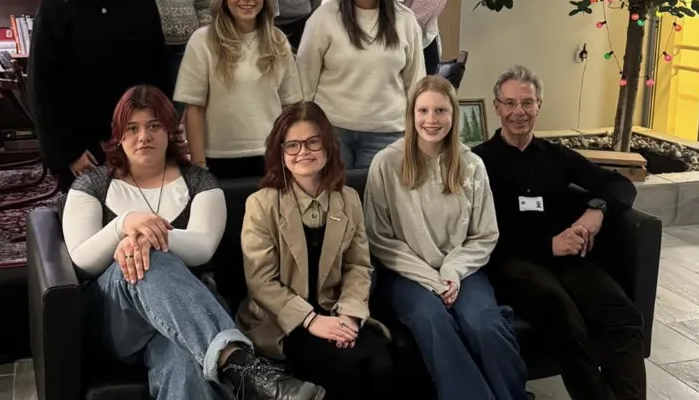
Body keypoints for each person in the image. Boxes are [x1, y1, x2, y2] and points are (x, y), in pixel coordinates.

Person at [61, 84, 326, 400]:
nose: (143, 136)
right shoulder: (92, 184)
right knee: (151, 261)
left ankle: (228, 361)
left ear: (170, 131)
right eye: (132, 128)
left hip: (187, 317)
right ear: (118, 134)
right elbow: (82, 260)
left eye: (154, 126)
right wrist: (124, 225)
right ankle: (241, 365)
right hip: (116, 319)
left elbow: (202, 249)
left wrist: (146, 236)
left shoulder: (200, 182)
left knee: (186, 361)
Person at [472, 65, 646, 400]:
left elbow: (620, 185)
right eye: (510, 103)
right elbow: (479, 233)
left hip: (568, 259)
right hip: (513, 262)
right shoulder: (478, 162)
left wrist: (596, 210)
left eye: (527, 102)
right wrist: (548, 244)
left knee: (623, 315)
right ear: (497, 107)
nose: (519, 112)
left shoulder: (557, 156)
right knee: (563, 316)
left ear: (539, 105)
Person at [364, 75, 529, 400]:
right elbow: (379, 238)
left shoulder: (472, 165)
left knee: (483, 323)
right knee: (432, 319)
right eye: (423, 110)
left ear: (453, 114)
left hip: (462, 272)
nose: (431, 119)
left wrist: (452, 271)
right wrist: (431, 279)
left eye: (440, 110)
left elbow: (485, 235)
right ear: (411, 114)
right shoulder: (386, 163)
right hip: (406, 274)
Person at [237, 101, 393, 400]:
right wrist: (311, 320)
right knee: (342, 370)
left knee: (381, 366)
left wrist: (349, 315)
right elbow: (261, 282)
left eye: (312, 142)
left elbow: (358, 267)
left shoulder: (348, 199)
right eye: (292, 145)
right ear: (281, 152)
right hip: (283, 320)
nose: (303, 152)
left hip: (335, 309)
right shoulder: (261, 204)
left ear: (328, 146)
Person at [28, 0, 168, 189]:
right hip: (82, 146)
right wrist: (68, 151)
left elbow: (157, 71)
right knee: (88, 213)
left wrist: (157, 133)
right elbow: (42, 84)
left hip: (135, 139)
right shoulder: (58, 0)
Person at [296, 0, 425, 169]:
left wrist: (418, 132)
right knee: (333, 193)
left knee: (379, 194)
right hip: (331, 130)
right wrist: (304, 127)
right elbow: (304, 80)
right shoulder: (324, 18)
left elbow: (416, 83)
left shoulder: (405, 20)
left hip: (388, 133)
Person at [174, 0, 302, 180]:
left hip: (271, 156)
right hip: (217, 159)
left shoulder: (278, 40)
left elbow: (290, 106)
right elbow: (194, 109)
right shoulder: (203, 41)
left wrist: (291, 154)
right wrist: (199, 165)